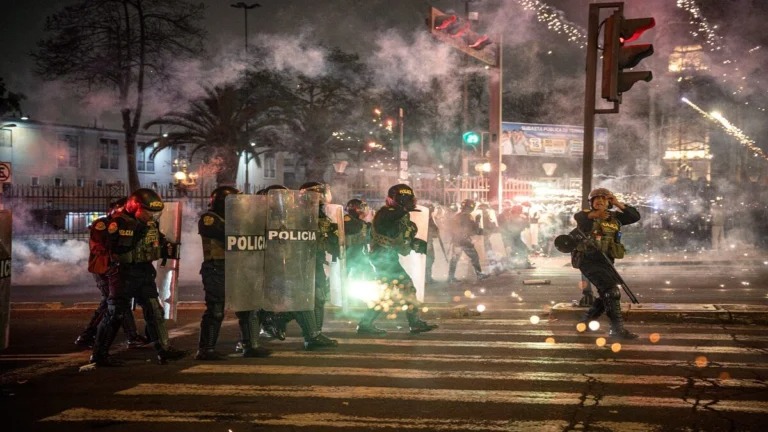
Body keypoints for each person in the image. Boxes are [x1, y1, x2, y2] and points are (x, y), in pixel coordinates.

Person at [89, 188, 186, 366]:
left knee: (154, 310)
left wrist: (165, 247)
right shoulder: (120, 223)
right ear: (136, 207)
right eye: (148, 212)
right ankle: (99, 355)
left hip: (143, 271)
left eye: (155, 213)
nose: (152, 217)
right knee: (115, 313)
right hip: (123, 272)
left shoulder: (148, 223)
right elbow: (117, 248)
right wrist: (137, 231)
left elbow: (156, 240)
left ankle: (163, 350)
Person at [195, 186, 272, 360]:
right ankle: (206, 349)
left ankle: (250, 345)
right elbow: (227, 235)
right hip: (217, 268)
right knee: (215, 310)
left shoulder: (238, 219)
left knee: (248, 306)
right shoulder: (209, 218)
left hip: (239, 267)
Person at [263, 184, 338, 351]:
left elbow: (326, 237)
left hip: (315, 260)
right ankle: (306, 333)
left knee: (319, 297)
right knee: (304, 297)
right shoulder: (295, 213)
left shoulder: (321, 214)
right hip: (298, 262)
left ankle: (314, 333)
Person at [356, 184, 438, 336]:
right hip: (382, 257)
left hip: (387, 256)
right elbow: (390, 223)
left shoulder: (401, 215)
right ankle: (413, 323)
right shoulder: (386, 212)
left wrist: (414, 243)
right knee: (405, 289)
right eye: (404, 199)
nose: (408, 202)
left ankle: (366, 324)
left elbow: (398, 238)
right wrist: (404, 211)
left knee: (387, 293)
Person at [75, 197, 148, 350]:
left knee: (115, 303)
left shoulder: (128, 224)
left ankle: (89, 336)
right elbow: (101, 246)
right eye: (122, 209)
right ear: (114, 208)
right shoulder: (103, 224)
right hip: (103, 268)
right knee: (114, 302)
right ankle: (91, 336)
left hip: (114, 268)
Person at [574, 187, 641, 340]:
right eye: (596, 199)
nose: (599, 201)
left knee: (607, 292)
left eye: (604, 199)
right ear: (591, 202)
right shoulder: (585, 216)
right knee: (611, 291)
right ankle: (617, 330)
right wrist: (595, 215)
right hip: (588, 261)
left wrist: (617, 202)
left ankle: (585, 323)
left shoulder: (614, 217)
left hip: (606, 261)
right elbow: (580, 218)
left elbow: (634, 216)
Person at [447, 199, 489, 283]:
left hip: (457, 240)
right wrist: (477, 221)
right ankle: (479, 274)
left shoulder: (457, 215)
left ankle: (450, 277)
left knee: (455, 259)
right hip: (464, 240)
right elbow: (473, 229)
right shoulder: (466, 216)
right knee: (474, 257)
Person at [344, 198, 373, 281]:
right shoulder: (348, 219)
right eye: (362, 207)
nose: (364, 210)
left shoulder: (360, 222)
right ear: (356, 209)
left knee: (369, 273)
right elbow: (357, 229)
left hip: (359, 256)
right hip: (349, 257)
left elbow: (367, 238)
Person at [498, 204, 533, 269]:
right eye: (520, 210)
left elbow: (524, 226)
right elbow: (515, 227)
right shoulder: (514, 217)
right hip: (513, 237)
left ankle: (517, 263)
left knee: (517, 250)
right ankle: (521, 264)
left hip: (514, 236)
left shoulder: (515, 217)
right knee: (520, 249)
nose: (521, 211)